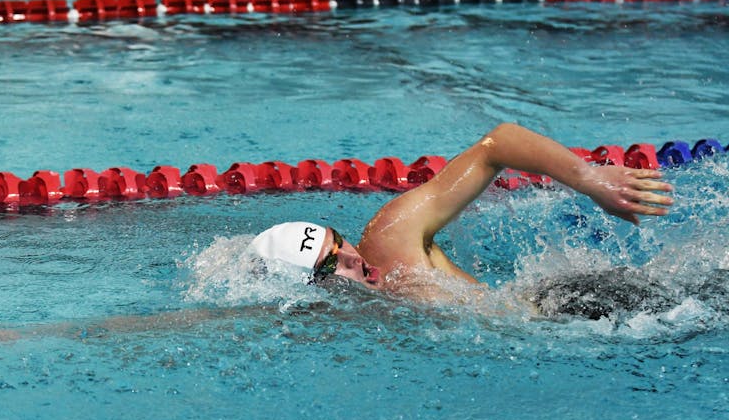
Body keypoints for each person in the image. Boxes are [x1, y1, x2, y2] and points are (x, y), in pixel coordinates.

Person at [251, 123, 674, 298]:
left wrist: (590, 179)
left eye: (339, 243)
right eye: (332, 265)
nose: (354, 260)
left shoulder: (389, 239)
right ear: (309, 288)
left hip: (572, 306)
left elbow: (499, 143)